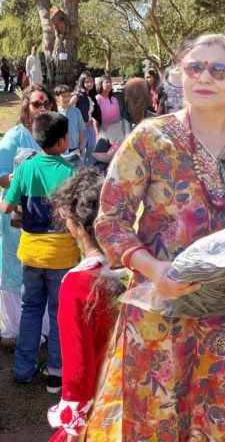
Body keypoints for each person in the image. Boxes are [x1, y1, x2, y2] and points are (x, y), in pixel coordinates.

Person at [84, 33, 225, 440]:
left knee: (220, 422)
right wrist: (154, 270)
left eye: (218, 69)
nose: (204, 76)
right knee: (158, 419)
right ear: (180, 77)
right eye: (194, 67)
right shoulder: (151, 138)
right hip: (162, 311)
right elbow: (110, 220)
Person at [1, 111, 78, 393]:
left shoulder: (25, 169)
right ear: (61, 142)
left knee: (30, 309)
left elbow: (6, 207)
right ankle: (55, 375)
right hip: (62, 256)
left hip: (31, 254)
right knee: (59, 313)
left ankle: (23, 370)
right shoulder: (71, 172)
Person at [46, 168, 125, 442]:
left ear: (77, 226)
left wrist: (72, 426)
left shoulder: (77, 285)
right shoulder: (135, 269)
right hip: (137, 395)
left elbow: (79, 367)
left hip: (101, 402)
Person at [0, 85, 52, 347]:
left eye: (46, 104)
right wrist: (27, 178)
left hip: (46, 215)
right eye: (36, 104)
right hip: (18, 216)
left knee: (41, 269)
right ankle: (13, 328)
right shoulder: (14, 137)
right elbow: (1, 176)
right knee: (15, 269)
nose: (42, 109)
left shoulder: (52, 133)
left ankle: (40, 328)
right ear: (26, 107)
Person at [70, 71, 102, 167]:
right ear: (82, 82)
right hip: (81, 130)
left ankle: (89, 173)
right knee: (81, 153)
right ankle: (80, 174)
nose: (89, 84)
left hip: (90, 128)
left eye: (91, 81)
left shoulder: (91, 96)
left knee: (91, 151)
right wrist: (81, 124)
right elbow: (68, 111)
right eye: (87, 81)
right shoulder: (77, 96)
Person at [54, 85, 85, 157]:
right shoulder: (55, 113)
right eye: (63, 96)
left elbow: (81, 130)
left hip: (75, 148)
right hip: (60, 150)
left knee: (76, 168)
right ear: (57, 98)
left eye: (68, 96)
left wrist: (81, 145)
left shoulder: (76, 111)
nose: (66, 98)